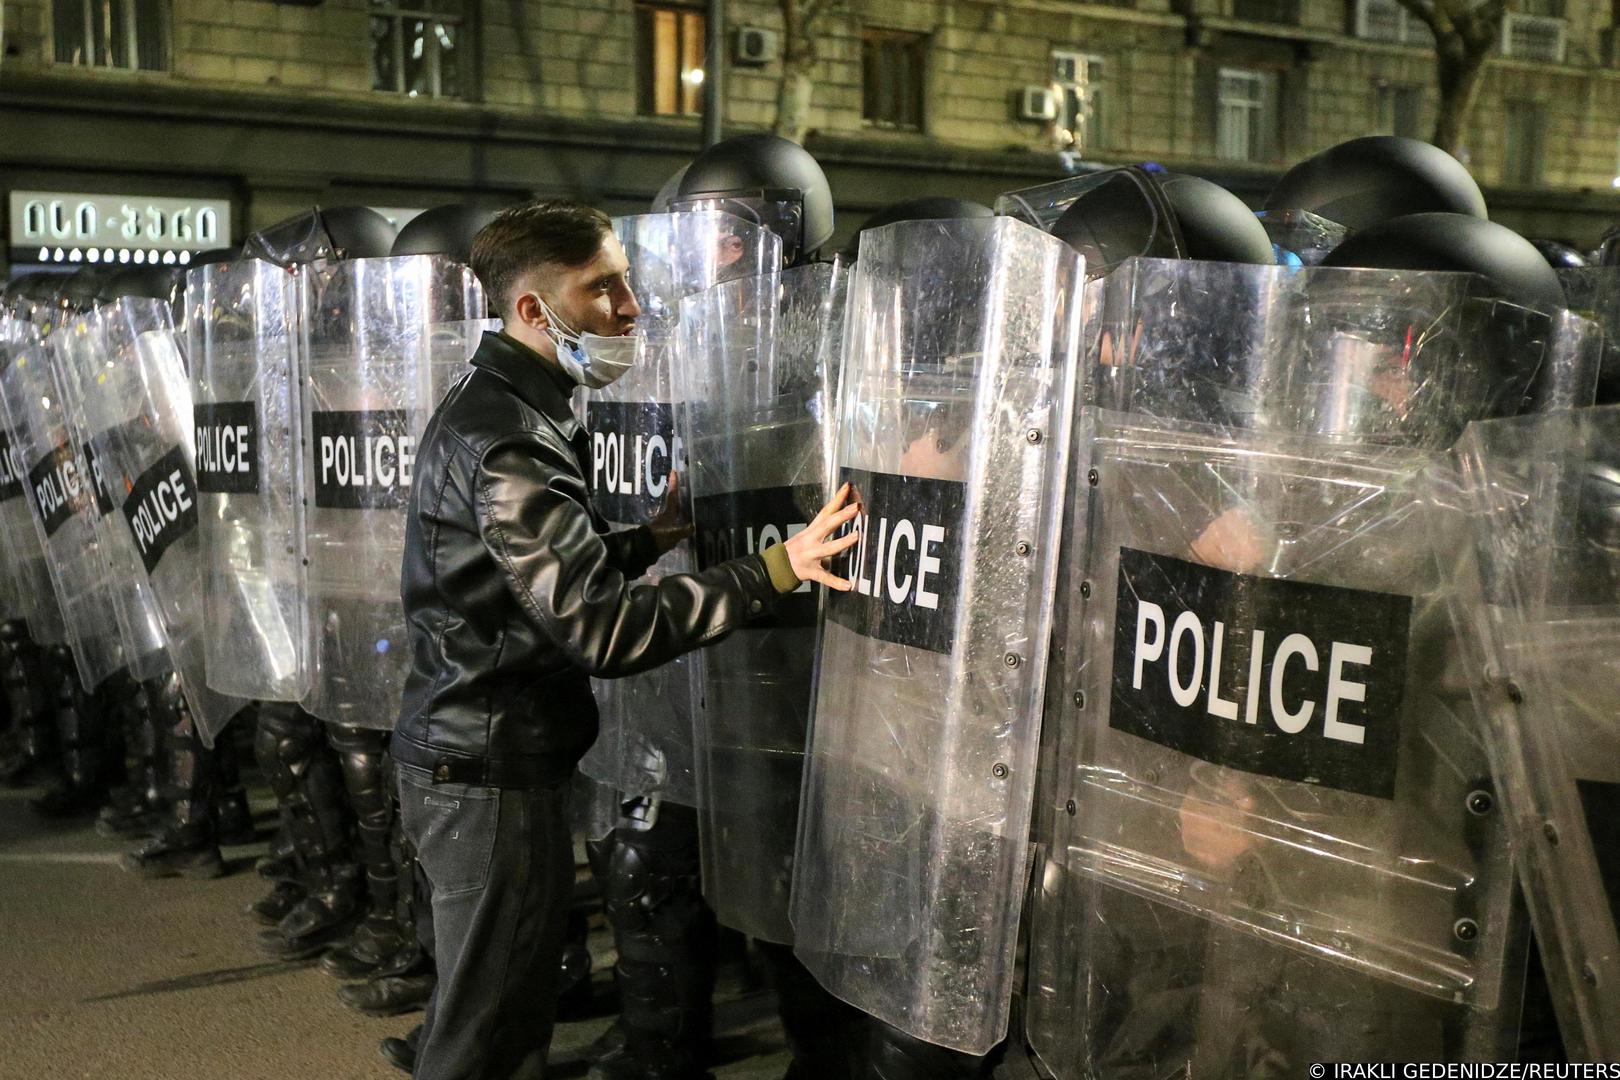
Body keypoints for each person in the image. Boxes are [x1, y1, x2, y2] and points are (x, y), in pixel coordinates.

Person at [392, 198, 860, 1080]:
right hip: (487, 770)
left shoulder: (504, 401)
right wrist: (776, 569)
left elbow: (519, 576)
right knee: (485, 1041)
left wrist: (648, 539)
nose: (631, 307)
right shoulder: (509, 442)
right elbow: (601, 628)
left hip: (476, 756)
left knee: (501, 1016)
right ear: (534, 309)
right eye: (601, 289)